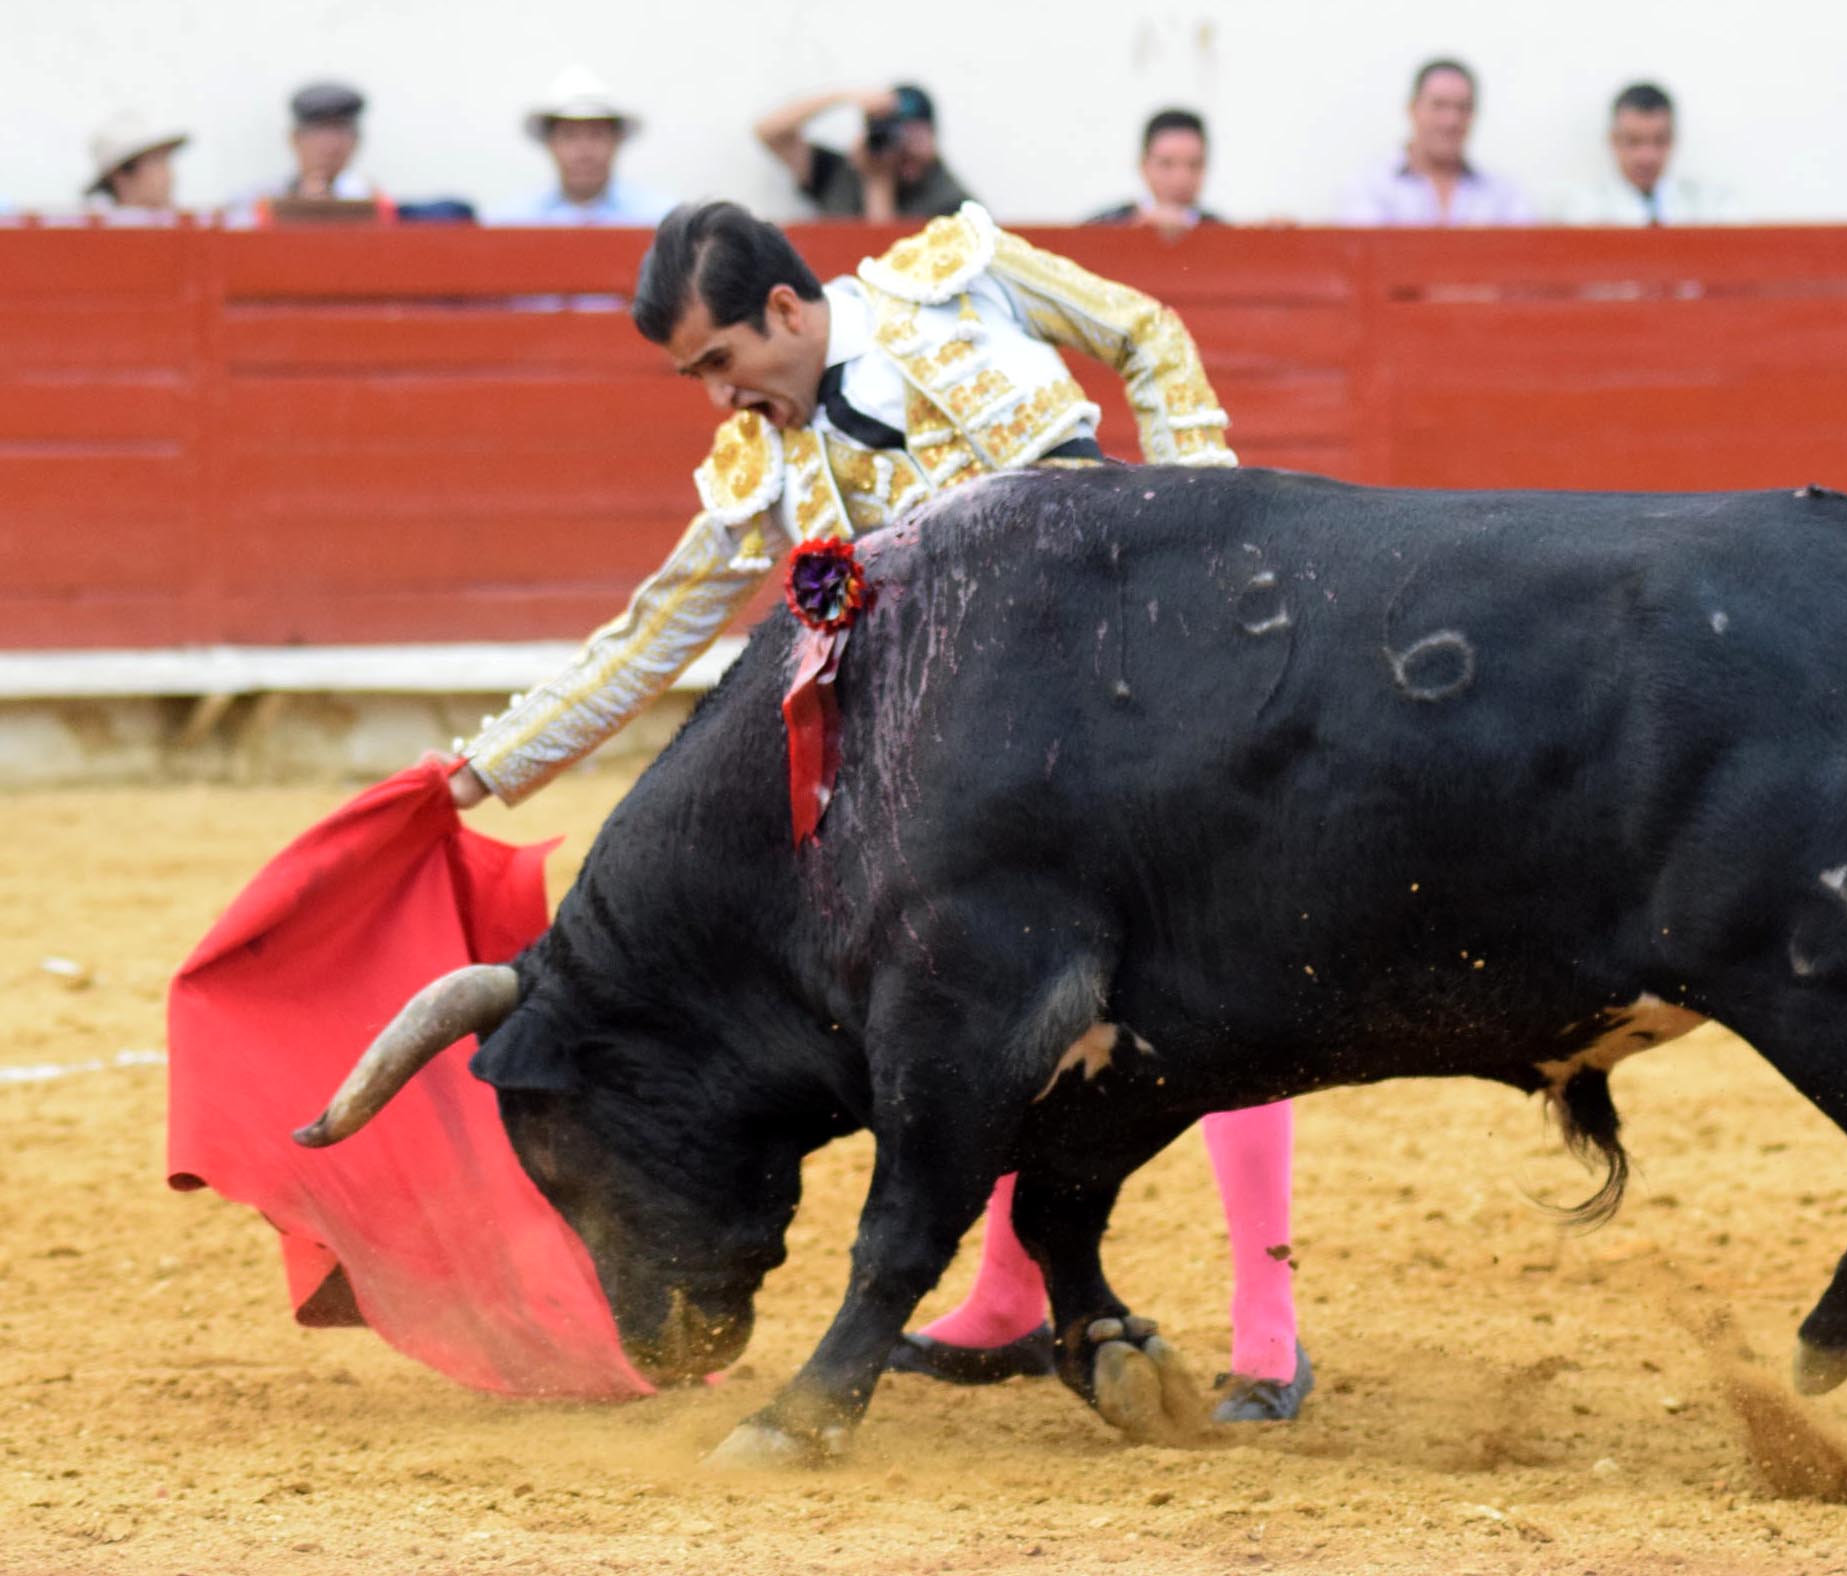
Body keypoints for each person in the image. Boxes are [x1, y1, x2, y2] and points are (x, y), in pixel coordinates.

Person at [426, 201, 1312, 1422]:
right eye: (693, 376)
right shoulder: (763, 463)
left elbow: (1146, 333)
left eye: (719, 362)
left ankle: (1269, 1334)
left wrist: (1207, 529)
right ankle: (1006, 1298)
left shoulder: (955, 279)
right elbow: (648, 636)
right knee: (996, 1004)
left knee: (1217, 975)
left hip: (1135, 687)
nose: (716, 398)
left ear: (784, 311)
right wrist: (477, 771)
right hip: (989, 774)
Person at [1338, 58, 1532, 226]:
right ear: (1412, 109)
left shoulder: (1504, 194)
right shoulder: (1370, 188)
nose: (1451, 121)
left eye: (1463, 108)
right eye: (1439, 106)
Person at [754, 83, 973, 221]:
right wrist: (844, 96)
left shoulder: (952, 203)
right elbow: (770, 132)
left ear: (932, 136)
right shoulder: (841, 174)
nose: (901, 149)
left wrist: (877, 183)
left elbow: (887, 262)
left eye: (912, 136)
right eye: (894, 136)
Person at [489, 65, 670, 226]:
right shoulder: (511, 222)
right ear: (550, 144)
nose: (584, 151)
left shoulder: (659, 220)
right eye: (569, 136)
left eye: (596, 135)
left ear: (617, 141)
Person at [1560, 82, 1738, 225]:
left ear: (1672, 140)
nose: (1647, 156)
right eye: (1633, 141)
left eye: (1659, 140)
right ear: (1613, 141)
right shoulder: (1580, 209)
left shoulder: (1712, 204)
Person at [1086, 108, 1219, 235]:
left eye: (1194, 165)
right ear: (1144, 166)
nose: (1180, 178)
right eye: (1166, 164)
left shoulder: (1223, 232)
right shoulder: (1102, 227)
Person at [85, 110, 188, 213]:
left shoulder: (184, 222)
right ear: (121, 175)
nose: (168, 173)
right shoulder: (94, 224)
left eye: (166, 160)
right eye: (156, 160)